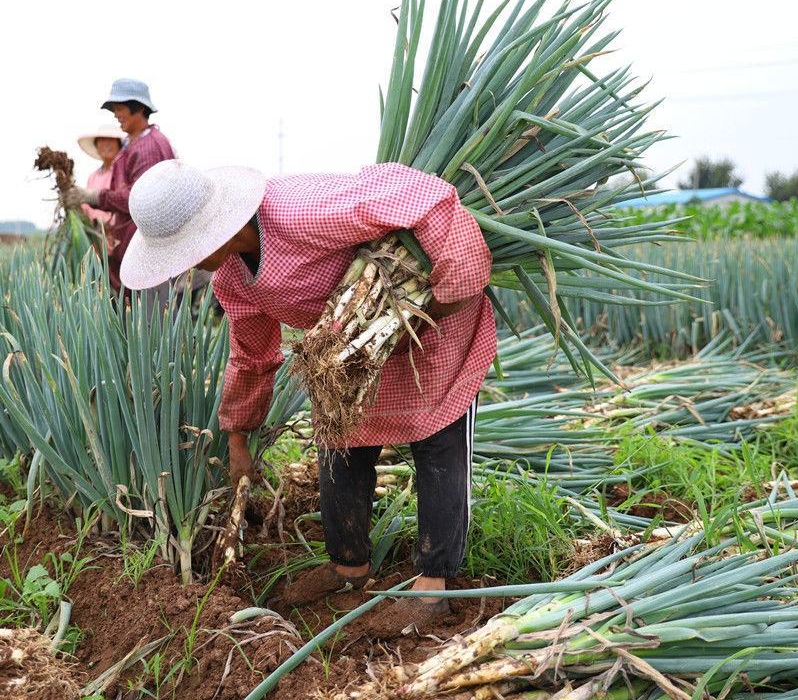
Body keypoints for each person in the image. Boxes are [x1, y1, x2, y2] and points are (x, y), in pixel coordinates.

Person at [119, 159, 496, 636]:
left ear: (213, 228)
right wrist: (238, 435)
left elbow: (427, 198)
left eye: (186, 250)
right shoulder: (232, 279)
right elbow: (251, 355)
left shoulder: (300, 211)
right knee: (339, 439)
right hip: (350, 352)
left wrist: (445, 294)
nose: (187, 264)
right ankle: (348, 566)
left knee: (437, 441)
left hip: (431, 324)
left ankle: (433, 586)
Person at [64, 79, 174, 293]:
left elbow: (140, 199)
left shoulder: (148, 147)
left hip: (148, 254)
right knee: (133, 309)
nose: (116, 115)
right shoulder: (133, 145)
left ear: (139, 108)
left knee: (151, 311)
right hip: (134, 250)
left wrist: (94, 197)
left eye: (120, 108)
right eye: (114, 109)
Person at [76, 122, 125, 228]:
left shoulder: (123, 173)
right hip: (94, 231)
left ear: (119, 145)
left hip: (116, 230)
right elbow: (86, 205)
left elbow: (122, 202)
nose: (106, 144)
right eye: (102, 140)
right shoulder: (92, 177)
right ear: (96, 146)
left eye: (110, 140)